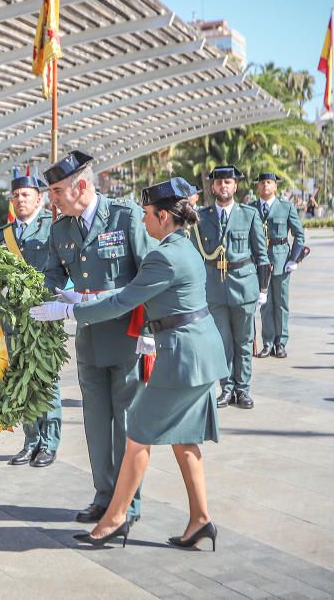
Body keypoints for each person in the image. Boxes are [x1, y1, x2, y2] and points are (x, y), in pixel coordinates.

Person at [30, 177, 227, 549]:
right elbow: (127, 292)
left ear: (164, 216)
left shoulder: (164, 255)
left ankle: (116, 518)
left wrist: (70, 309)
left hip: (182, 356)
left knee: (137, 434)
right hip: (199, 353)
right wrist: (80, 295)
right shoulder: (181, 248)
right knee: (185, 440)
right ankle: (200, 519)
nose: (144, 220)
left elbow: (123, 301)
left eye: (149, 214)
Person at [41, 150, 154, 524]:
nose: (52, 198)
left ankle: (129, 502)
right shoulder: (61, 229)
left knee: (126, 425)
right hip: (88, 340)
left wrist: (150, 333)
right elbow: (50, 276)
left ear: (82, 186)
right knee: (96, 424)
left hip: (127, 337)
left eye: (57, 191)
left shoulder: (124, 217)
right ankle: (104, 496)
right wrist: (52, 295)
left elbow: (148, 276)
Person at [0, 175, 59, 468]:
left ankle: (50, 442)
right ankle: (31, 441)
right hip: (13, 319)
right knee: (21, 380)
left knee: (45, 379)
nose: (20, 200)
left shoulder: (52, 228)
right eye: (16, 195)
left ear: (39, 199)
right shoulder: (1, 234)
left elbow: (60, 270)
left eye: (26, 195)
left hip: (42, 315)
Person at [189, 165, 269, 409]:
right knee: (221, 341)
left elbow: (261, 255)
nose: (223, 186)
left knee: (244, 341)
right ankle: (227, 388)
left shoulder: (250, 214)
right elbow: (194, 256)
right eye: (219, 182)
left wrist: (263, 290)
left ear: (236, 186)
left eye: (228, 182)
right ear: (212, 187)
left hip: (243, 286)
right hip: (214, 287)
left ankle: (243, 389)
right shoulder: (202, 217)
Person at [252, 173, 306, 359]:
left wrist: (294, 258)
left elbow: (299, 234)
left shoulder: (286, 207)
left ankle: (280, 342)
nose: (265, 186)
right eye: (262, 183)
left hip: (281, 260)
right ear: (258, 187)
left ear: (275, 186)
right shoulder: (251, 209)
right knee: (265, 304)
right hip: (260, 262)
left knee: (281, 303)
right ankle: (267, 342)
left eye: (269, 182)